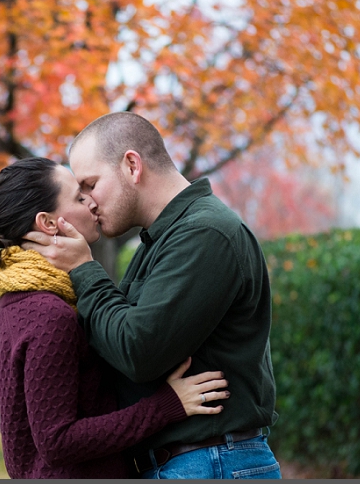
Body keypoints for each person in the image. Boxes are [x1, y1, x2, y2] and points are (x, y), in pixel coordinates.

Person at [23, 112, 281, 479]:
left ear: (132, 165)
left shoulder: (206, 234)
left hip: (213, 462)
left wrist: (84, 269)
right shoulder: (162, 239)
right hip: (193, 463)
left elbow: (138, 351)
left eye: (91, 185)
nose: (88, 202)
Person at [0, 157, 231, 479]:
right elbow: (57, 441)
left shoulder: (19, 300)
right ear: (50, 224)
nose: (92, 202)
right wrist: (165, 406)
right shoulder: (48, 314)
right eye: (79, 198)